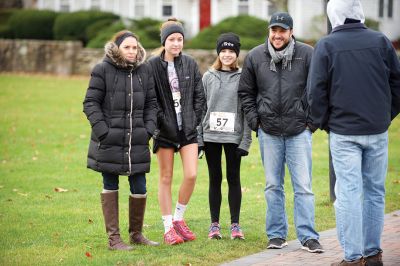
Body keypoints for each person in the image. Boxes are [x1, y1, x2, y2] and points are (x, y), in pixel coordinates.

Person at [307, 0, 400, 265]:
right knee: (375, 192)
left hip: (344, 132)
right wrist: (385, 116)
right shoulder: (381, 41)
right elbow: (397, 84)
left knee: (348, 193)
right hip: (376, 129)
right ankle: (373, 254)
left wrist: (321, 122)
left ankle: (352, 257)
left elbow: (316, 91)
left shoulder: (326, 45)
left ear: (334, 15)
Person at [238, 12, 324, 253]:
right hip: (269, 131)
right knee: (273, 186)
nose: (277, 35)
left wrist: (311, 123)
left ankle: (308, 236)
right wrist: (256, 122)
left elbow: (319, 89)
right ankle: (276, 235)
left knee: (303, 187)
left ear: (291, 32)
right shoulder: (255, 56)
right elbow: (246, 92)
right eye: (274, 30)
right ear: (269, 31)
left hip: (299, 130)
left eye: (282, 31)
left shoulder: (307, 54)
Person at [83, 30, 159, 250]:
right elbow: (90, 103)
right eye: (127, 47)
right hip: (109, 140)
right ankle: (114, 239)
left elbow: (152, 104)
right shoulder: (102, 70)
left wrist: (148, 130)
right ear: (117, 48)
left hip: (137, 140)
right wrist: (103, 131)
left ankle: (136, 234)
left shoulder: (144, 71)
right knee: (110, 184)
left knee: (140, 186)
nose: (132, 51)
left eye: (135, 47)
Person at [148, 18, 205, 245]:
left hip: (188, 130)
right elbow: (150, 101)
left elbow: (200, 96)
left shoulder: (190, 63)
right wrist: (160, 124)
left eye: (179, 39)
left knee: (191, 174)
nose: (176, 43)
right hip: (164, 131)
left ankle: (179, 220)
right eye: (172, 39)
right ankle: (167, 227)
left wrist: (193, 119)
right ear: (164, 41)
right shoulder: (152, 66)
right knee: (166, 177)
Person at [198, 33, 252, 240]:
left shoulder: (243, 77)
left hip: (233, 137)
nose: (227, 55)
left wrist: (245, 141)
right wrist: (199, 139)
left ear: (236, 54)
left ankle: (235, 225)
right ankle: (214, 225)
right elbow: (200, 109)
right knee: (215, 178)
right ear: (218, 52)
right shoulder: (208, 77)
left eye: (231, 51)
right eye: (223, 51)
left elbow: (247, 111)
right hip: (211, 136)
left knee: (233, 178)